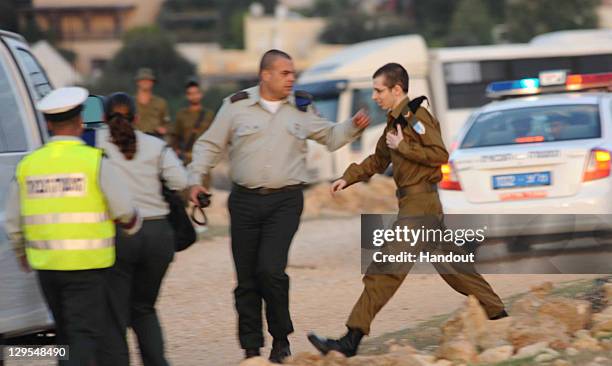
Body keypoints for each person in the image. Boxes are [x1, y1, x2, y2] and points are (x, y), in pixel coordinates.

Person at [307, 63, 507, 357]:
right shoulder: (393, 122)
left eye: (379, 91)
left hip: (420, 206)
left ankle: (350, 341)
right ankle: (499, 314)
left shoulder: (416, 118)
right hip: (419, 205)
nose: (375, 96)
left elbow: (440, 154)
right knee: (455, 268)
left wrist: (404, 147)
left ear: (396, 89)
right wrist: (347, 178)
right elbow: (376, 160)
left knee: (385, 270)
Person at [188, 49, 370, 363]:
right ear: (266, 75)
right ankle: (251, 349)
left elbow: (328, 136)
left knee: (271, 270)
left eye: (292, 73)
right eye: (285, 73)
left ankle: (280, 338)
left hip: (285, 201)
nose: (291, 78)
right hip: (244, 201)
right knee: (246, 279)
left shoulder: (300, 106)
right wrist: (195, 180)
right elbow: (208, 145)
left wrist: (353, 125)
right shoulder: (235, 107)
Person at [4, 87, 141, 366]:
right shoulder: (93, 161)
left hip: (47, 266)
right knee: (83, 334)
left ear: (47, 125)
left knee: (64, 333)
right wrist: (130, 227)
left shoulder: (28, 165)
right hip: (86, 266)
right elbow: (126, 211)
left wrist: (21, 251)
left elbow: (13, 220)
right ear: (80, 122)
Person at [95, 92, 188, 366]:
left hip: (120, 233)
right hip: (158, 235)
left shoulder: (93, 144)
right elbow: (180, 180)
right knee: (144, 308)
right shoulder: (155, 146)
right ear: (136, 118)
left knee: (115, 314)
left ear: (103, 118)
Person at [173, 79, 215, 188]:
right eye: (190, 94)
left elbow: (215, 136)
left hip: (204, 159)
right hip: (186, 159)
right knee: (185, 192)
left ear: (201, 94)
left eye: (196, 93)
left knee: (203, 192)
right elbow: (175, 136)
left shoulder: (209, 115)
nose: (194, 96)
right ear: (187, 96)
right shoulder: (181, 115)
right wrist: (176, 151)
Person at [134, 67, 170, 138]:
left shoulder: (161, 103)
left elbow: (167, 124)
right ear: (137, 82)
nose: (145, 82)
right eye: (142, 79)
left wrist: (164, 129)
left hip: (155, 140)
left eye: (148, 80)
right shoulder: (130, 102)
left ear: (153, 82)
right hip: (135, 140)